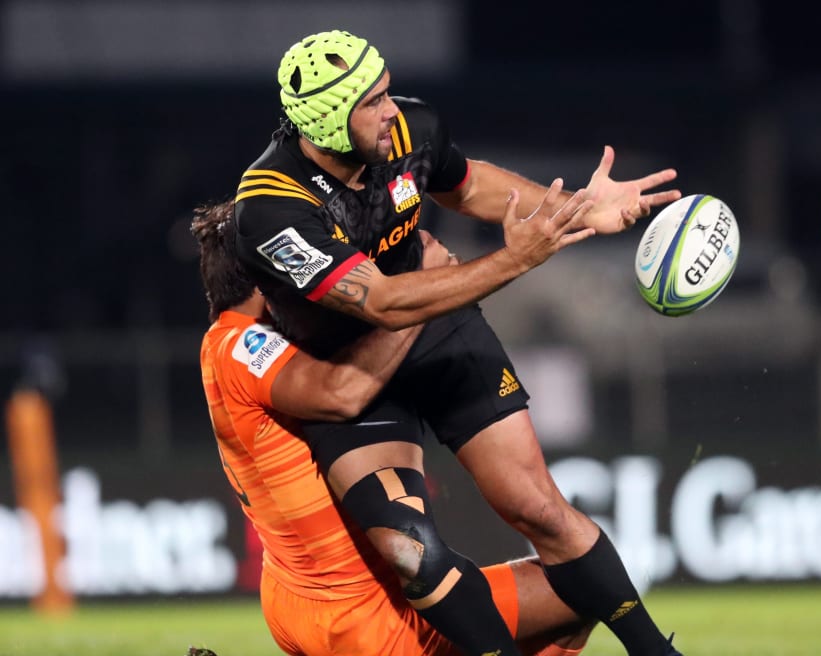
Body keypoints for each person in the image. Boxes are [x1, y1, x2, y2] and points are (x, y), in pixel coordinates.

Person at [234, 29, 685, 656]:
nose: (391, 110)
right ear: (329, 122)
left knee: (538, 509)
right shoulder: (269, 206)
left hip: (440, 325)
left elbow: (469, 187)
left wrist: (580, 210)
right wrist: (514, 260)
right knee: (408, 548)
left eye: (387, 91)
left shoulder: (410, 129)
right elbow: (382, 303)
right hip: (353, 364)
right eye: (372, 101)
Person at [192, 200, 594, 656]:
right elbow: (341, 392)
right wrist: (422, 293)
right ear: (267, 279)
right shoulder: (248, 344)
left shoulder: (220, 342)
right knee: (583, 587)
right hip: (365, 611)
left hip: (298, 596)